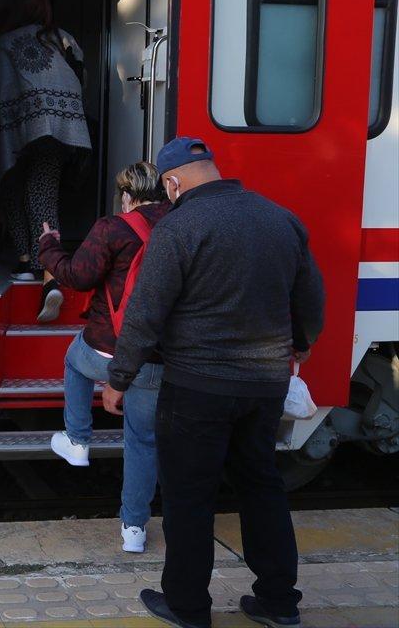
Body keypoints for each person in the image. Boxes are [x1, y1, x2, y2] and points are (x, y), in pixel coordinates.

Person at [105, 138, 325, 628]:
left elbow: (146, 312)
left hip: (198, 387)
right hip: (264, 384)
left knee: (189, 496)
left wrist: (119, 377)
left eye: (167, 190)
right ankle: (278, 602)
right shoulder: (279, 218)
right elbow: (311, 298)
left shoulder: (179, 226)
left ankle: (187, 606)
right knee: (262, 486)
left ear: (174, 182)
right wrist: (302, 343)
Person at [37, 161, 170, 554]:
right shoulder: (179, 222)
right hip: (156, 357)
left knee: (74, 360)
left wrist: (49, 245)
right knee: (142, 442)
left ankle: (77, 439)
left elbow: (77, 275)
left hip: (107, 347)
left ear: (127, 196)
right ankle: (134, 530)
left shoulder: (113, 227)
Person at [0, 0, 91, 322]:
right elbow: (81, 75)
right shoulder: (62, 38)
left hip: (21, 125)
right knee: (43, 190)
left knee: (10, 185)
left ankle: (31, 262)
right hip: (64, 126)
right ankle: (46, 268)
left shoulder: (3, 44)